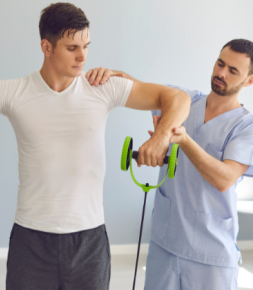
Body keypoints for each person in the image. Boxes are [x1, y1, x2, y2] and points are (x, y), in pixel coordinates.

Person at [0, 3, 190, 290]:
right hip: (31, 241)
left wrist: (161, 137)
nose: (82, 57)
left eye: (86, 46)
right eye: (72, 48)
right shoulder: (13, 91)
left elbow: (177, 98)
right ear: (46, 47)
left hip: (89, 240)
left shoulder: (103, 87)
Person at [88, 38, 253, 290]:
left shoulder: (245, 127)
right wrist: (111, 75)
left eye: (233, 71)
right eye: (220, 64)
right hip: (165, 244)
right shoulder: (185, 101)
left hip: (211, 256)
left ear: (249, 81)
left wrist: (183, 139)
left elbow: (225, 179)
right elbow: (137, 87)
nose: (221, 73)